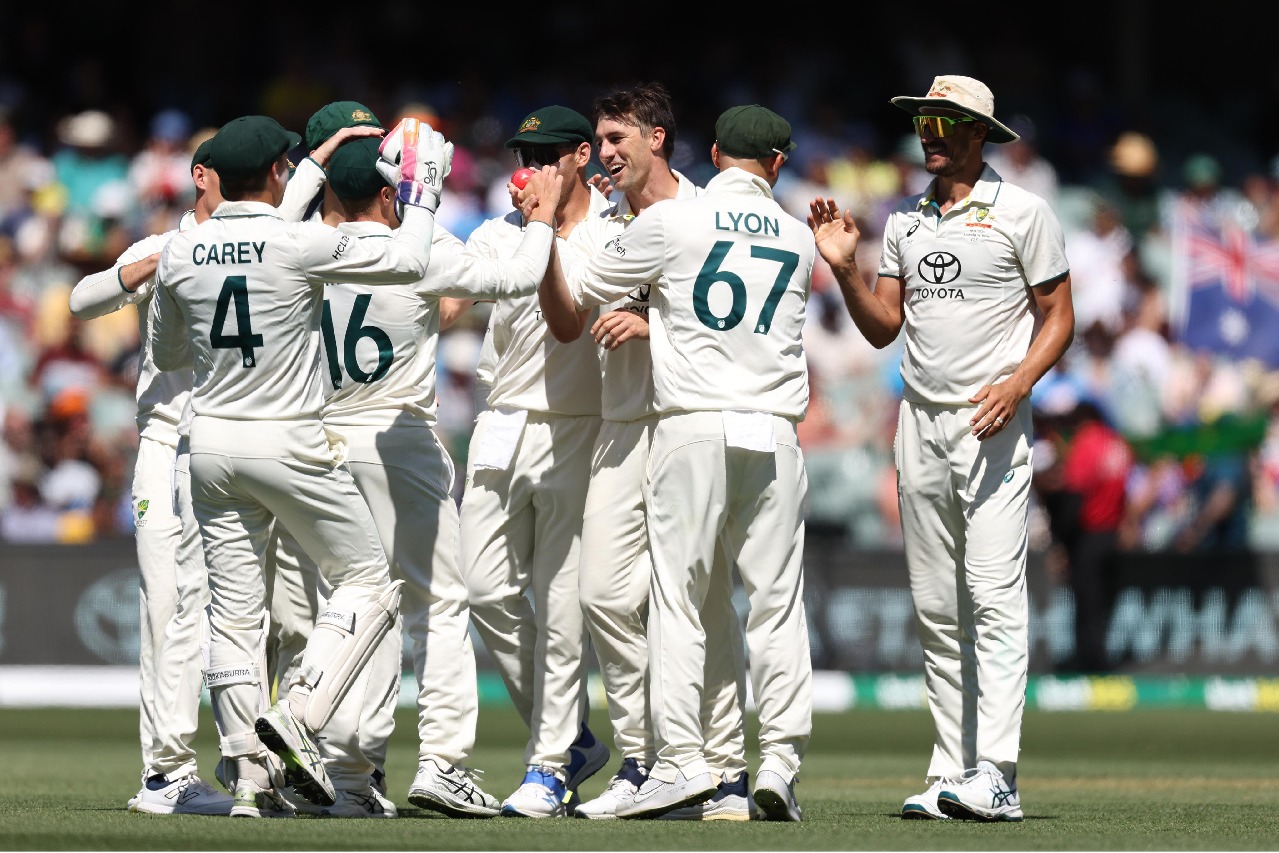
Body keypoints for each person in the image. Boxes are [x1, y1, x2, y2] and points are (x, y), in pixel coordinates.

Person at [147, 114, 453, 818]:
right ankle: (300, 714)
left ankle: (250, 780)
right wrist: (426, 191)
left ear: (215, 177)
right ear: (280, 174)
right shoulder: (297, 240)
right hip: (288, 440)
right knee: (369, 581)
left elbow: (167, 356)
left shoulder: (182, 249)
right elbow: (407, 262)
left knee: (233, 614)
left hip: (211, 444)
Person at [809, 75, 1074, 822]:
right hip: (916, 427)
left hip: (988, 422)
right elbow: (881, 327)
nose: (928, 130)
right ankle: (950, 767)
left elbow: (1059, 317)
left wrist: (1017, 384)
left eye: (945, 120)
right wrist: (841, 267)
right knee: (934, 606)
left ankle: (997, 774)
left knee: (991, 597)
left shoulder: (1023, 211)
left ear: (979, 133)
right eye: (924, 117)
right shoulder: (904, 222)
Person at [553, 103, 816, 822]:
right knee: (774, 604)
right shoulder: (798, 237)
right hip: (773, 429)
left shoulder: (668, 223)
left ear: (712, 152)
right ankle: (781, 761)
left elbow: (582, 292)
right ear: (778, 164)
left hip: (692, 423)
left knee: (679, 600)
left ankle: (680, 763)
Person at [315, 135, 562, 817]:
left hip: (326, 444)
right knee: (440, 603)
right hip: (398, 438)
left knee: (359, 607)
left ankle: (349, 772)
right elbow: (514, 280)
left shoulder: (304, 248)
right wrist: (540, 217)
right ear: (392, 194)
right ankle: (443, 762)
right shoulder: (415, 250)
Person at [536, 82, 752, 822]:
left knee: (699, 604)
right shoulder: (601, 223)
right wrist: (543, 235)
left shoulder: (707, 213)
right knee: (602, 593)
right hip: (623, 427)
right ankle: (645, 758)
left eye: (616, 139)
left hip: (690, 420)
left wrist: (654, 329)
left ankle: (726, 771)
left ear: (656, 137)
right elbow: (568, 317)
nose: (604, 153)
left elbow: (736, 330)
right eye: (598, 142)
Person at [69, 138, 232, 816]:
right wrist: (147, 268)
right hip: (171, 443)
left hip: (243, 444)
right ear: (201, 177)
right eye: (253, 172)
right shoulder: (169, 242)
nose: (268, 183)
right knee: (170, 608)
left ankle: (250, 759)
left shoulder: (279, 238)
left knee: (251, 615)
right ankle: (166, 771)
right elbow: (83, 299)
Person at [458, 105, 612, 818]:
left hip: (577, 426)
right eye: (526, 153)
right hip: (500, 422)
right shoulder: (498, 231)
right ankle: (574, 736)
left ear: (581, 156)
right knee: (483, 589)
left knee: (559, 605)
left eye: (549, 155)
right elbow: (453, 299)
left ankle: (548, 766)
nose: (534, 167)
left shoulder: (615, 229)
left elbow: (566, 319)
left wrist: (544, 230)